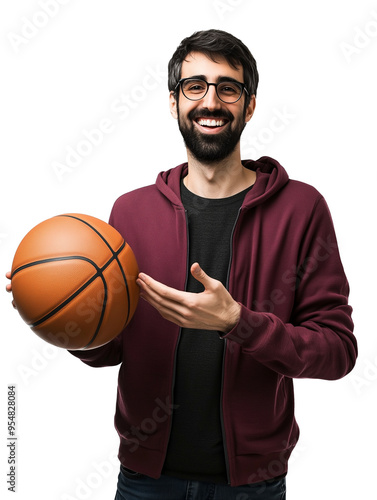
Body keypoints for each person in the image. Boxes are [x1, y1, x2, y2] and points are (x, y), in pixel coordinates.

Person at [6, 29, 357, 500]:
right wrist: (58, 311)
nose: (210, 101)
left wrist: (239, 323)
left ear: (249, 106)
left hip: (253, 485)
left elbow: (336, 351)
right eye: (195, 86)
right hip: (145, 481)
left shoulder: (301, 208)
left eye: (227, 88)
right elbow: (110, 348)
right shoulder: (130, 212)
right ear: (174, 102)